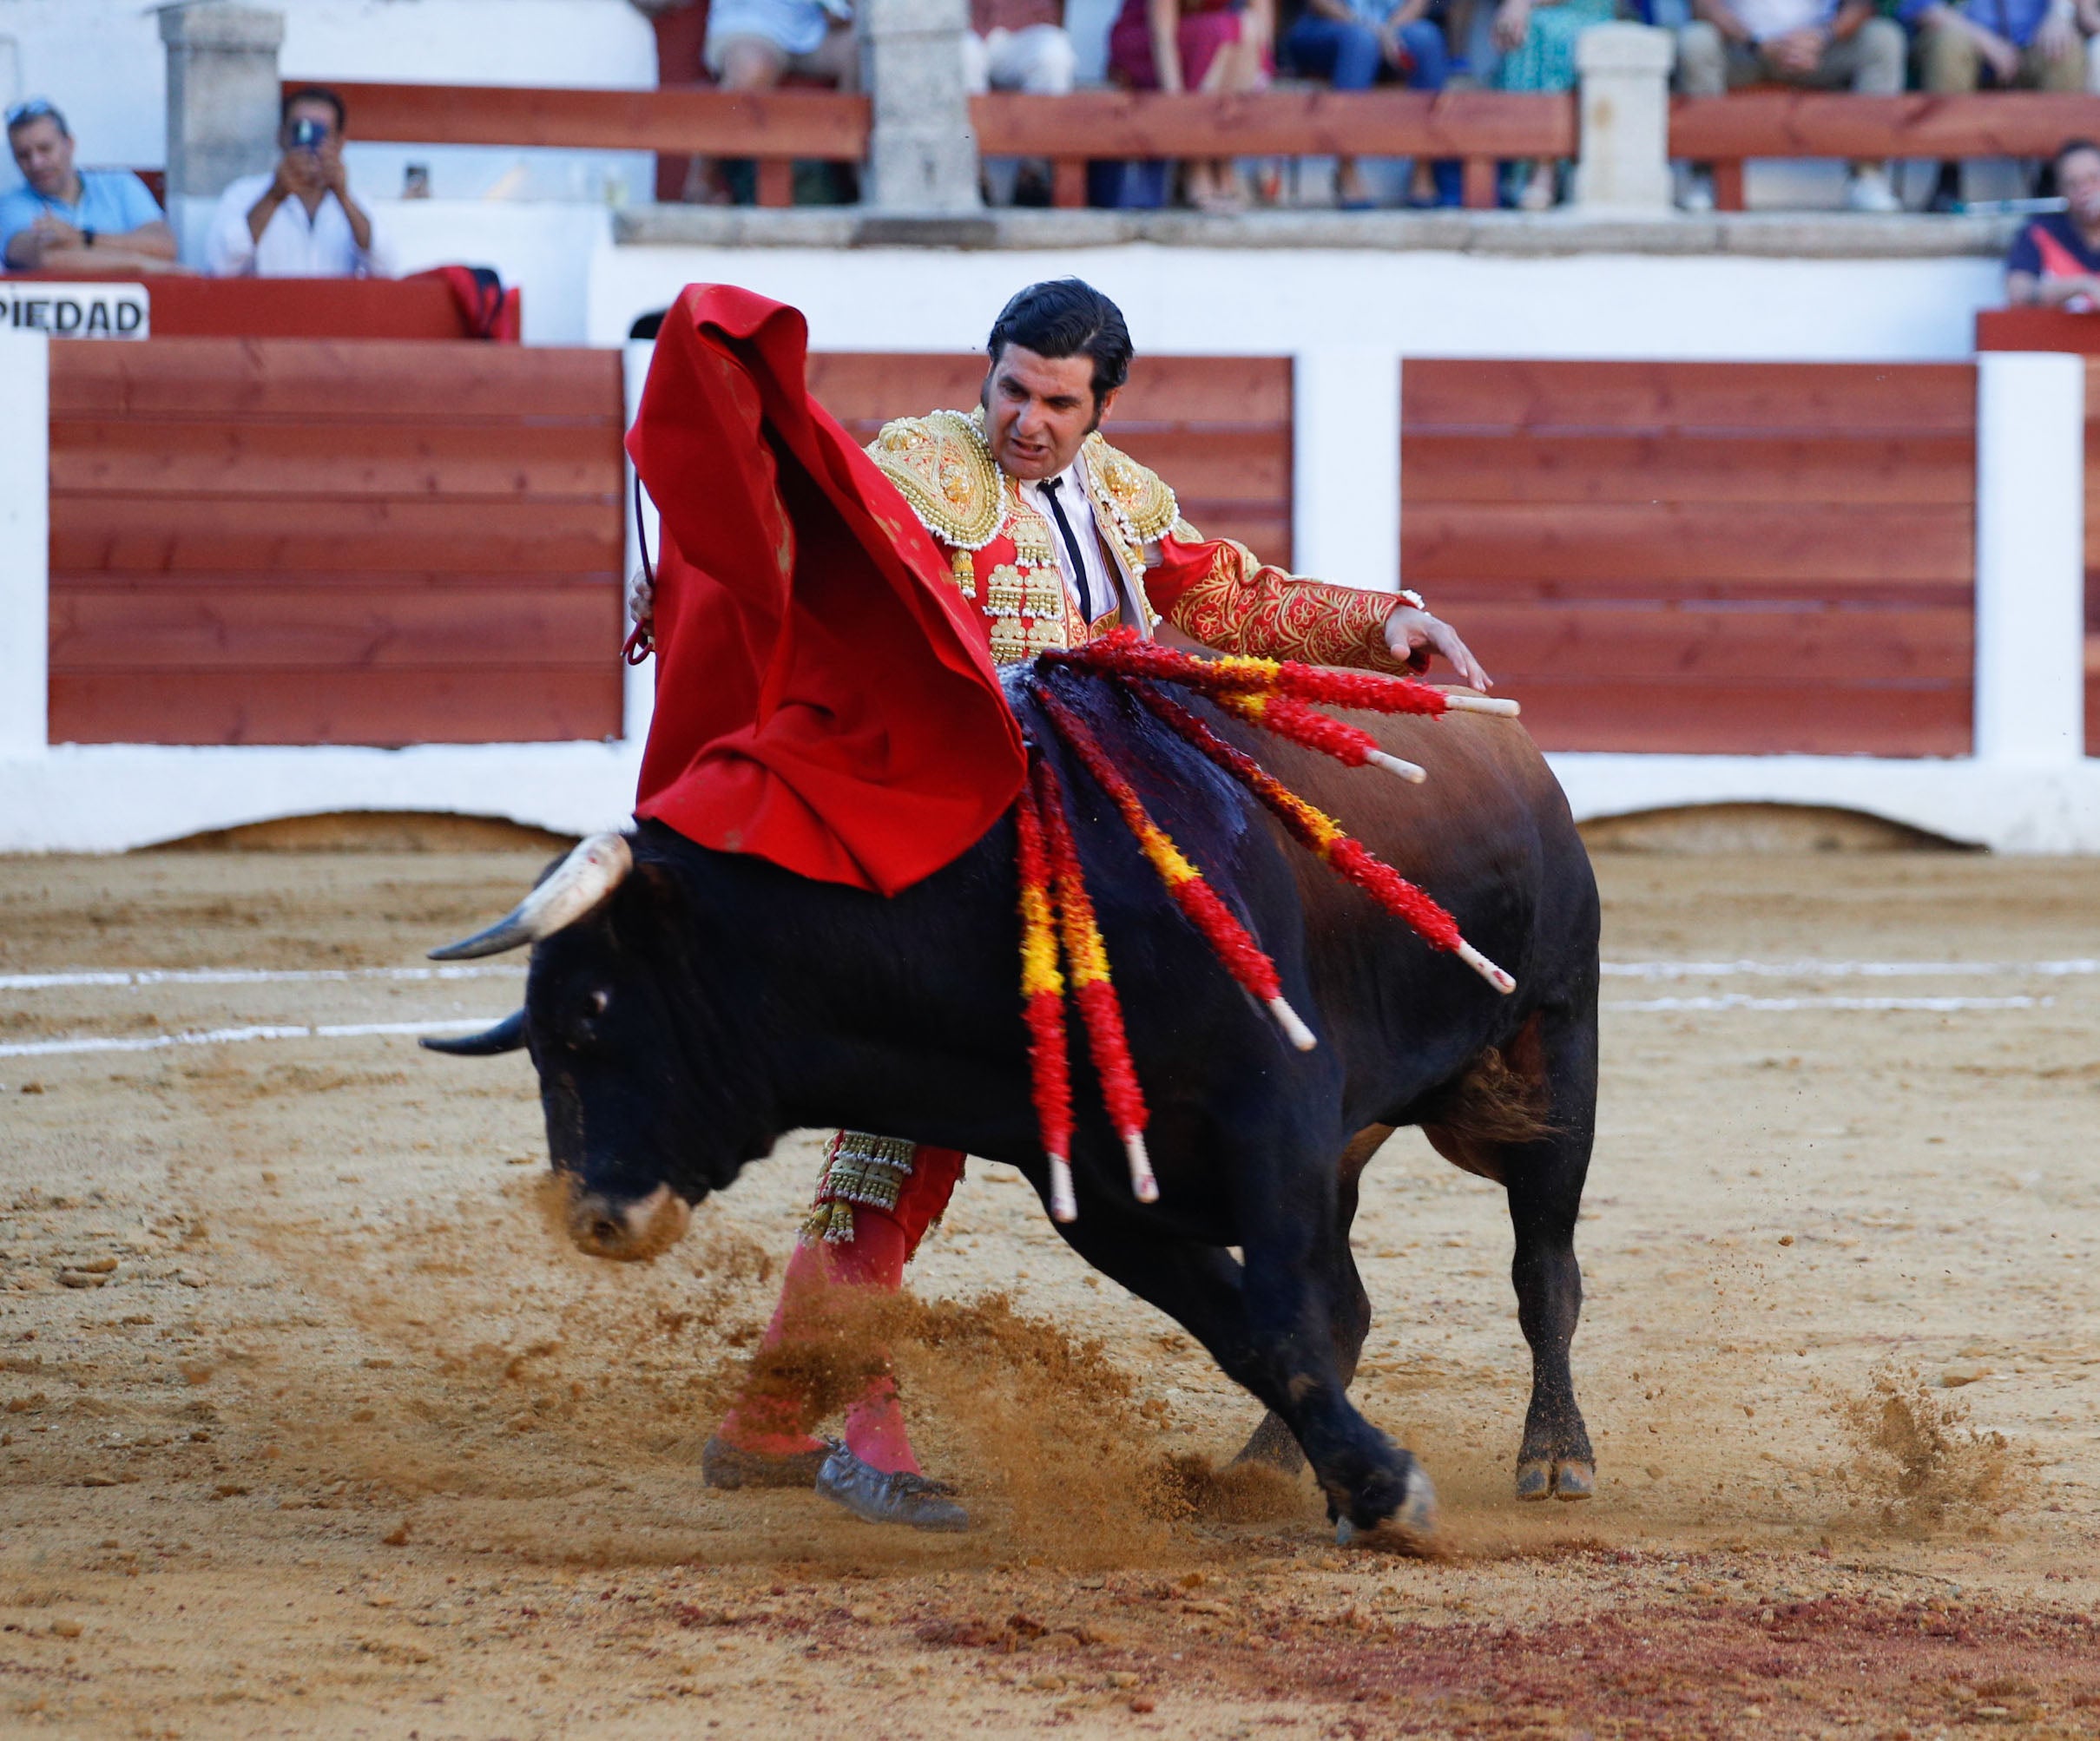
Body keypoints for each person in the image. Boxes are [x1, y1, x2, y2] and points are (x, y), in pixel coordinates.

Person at [631, 278, 1491, 1530]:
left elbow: (1228, 596)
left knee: (971, 1115)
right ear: (985, 375)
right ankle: (849, 1422)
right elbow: (819, 556)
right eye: (1010, 390)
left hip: (1087, 851)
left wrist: (1385, 619)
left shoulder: (1123, 498)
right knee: (896, 1130)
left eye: (1054, 402)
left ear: (1099, 408)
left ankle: (770, 1413)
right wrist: (715, 581)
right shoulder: (921, 469)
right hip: (946, 846)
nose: (1024, 420)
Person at [1675, 0, 1906, 212]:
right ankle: (1705, 175)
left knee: (1883, 38)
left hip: (1821, 49)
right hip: (1743, 48)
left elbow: (1862, 4)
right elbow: (1703, 5)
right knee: (1696, 40)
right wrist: (1755, 42)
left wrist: (1823, 37)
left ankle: (1867, 176)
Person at [1281, 0, 1461, 207]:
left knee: (1427, 38)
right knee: (1360, 41)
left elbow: (1418, 3)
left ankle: (1423, 168)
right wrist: (1372, 29)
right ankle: (1347, 168)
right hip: (1329, 27)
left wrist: (1388, 31)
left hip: (1394, 31)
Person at [1908, 0, 2084, 209]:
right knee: (1950, 43)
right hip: (1965, 40)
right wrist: (1988, 43)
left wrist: (2060, 15)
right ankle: (1949, 174)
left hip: (2033, 44)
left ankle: (2053, 177)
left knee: (2066, 46)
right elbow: (1924, 8)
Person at [204, 87, 390, 279]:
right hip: (268, 307)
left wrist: (343, 199)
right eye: (300, 131)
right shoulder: (243, 194)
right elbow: (219, 266)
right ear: (281, 136)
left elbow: (387, 269)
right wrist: (274, 197)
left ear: (340, 142)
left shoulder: (359, 202)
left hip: (334, 308)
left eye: (321, 134)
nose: (310, 144)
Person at [1109, 0, 1275, 211]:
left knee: (1248, 26)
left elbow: (1262, 25)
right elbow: (1162, 36)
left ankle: (1223, 162)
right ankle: (1195, 167)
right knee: (1218, 32)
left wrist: (1261, 73)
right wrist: (1181, 123)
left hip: (1204, 36)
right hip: (1147, 39)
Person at [690, 0, 859, 203]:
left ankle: (856, 178)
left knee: (860, 51)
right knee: (753, 69)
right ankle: (701, 182)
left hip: (810, 30)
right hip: (748, 26)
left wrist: (843, 9)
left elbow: (843, 11)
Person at [2, 98, 175, 274]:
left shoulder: (119, 184)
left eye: (45, 149)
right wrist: (140, 263)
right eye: (23, 155)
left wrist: (81, 238)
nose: (36, 163)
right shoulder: (11, 205)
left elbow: (163, 246)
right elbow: (48, 258)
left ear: (69, 144)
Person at [1492, 0, 1620, 210]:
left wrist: (1520, 3)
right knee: (1529, 28)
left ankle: (1545, 166)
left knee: (1552, 34)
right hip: (1539, 12)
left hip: (1590, 12)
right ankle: (1523, 165)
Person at [964, 0, 1080, 205]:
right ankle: (971, 171)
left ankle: (1033, 173)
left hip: (1030, 29)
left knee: (1054, 55)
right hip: (973, 29)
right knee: (961, 53)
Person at [2005, 138, 2100, 305]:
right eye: (2073, 184)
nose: (2085, 190)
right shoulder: (2041, 231)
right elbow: (2018, 293)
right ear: (2061, 190)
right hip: (2063, 331)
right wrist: (2082, 285)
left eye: (2094, 179)